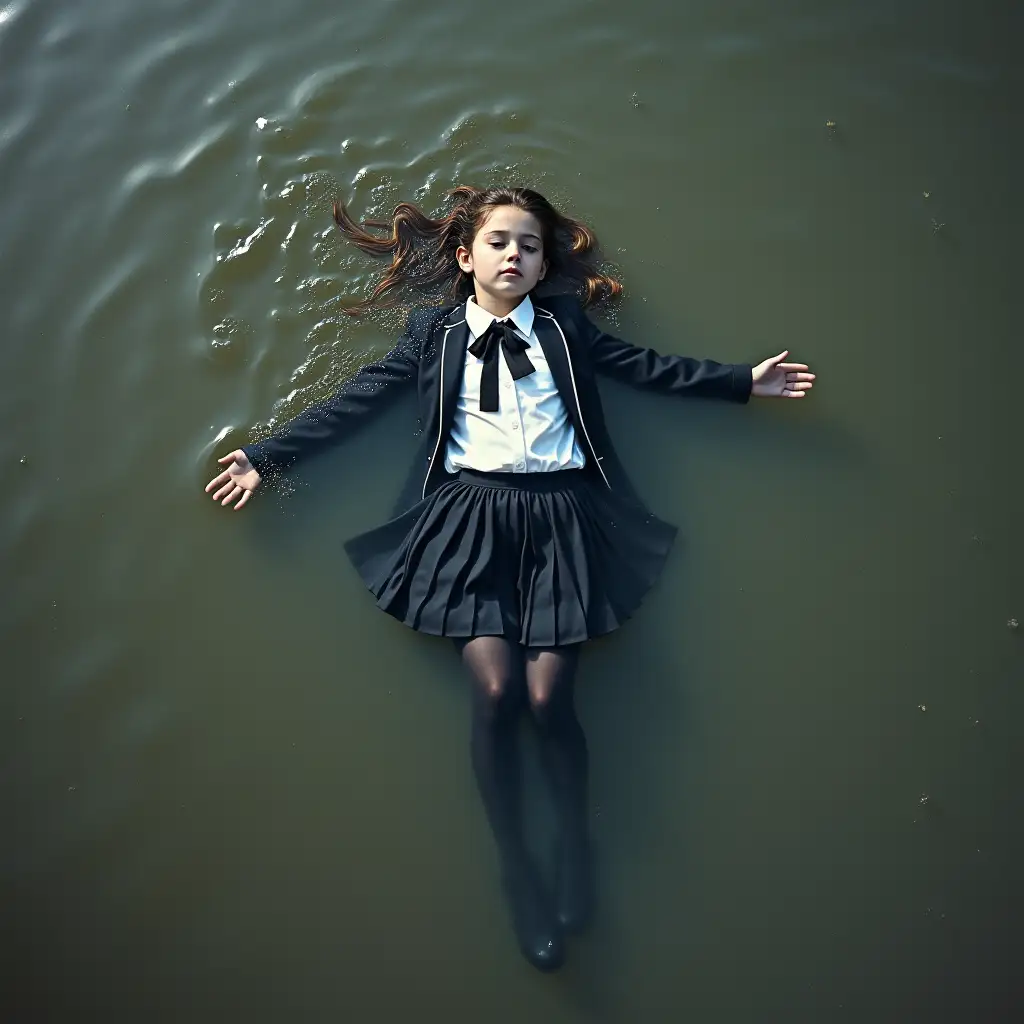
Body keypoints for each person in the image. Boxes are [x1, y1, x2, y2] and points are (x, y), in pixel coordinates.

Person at [204, 186, 815, 971]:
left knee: (548, 693)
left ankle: (575, 845)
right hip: (468, 518)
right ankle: (516, 870)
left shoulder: (567, 328)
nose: (514, 256)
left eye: (529, 246)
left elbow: (649, 368)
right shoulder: (433, 334)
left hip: (565, 516)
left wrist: (740, 381)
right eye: (499, 243)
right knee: (496, 691)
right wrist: (266, 455)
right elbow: (358, 400)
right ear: (466, 257)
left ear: (543, 264)